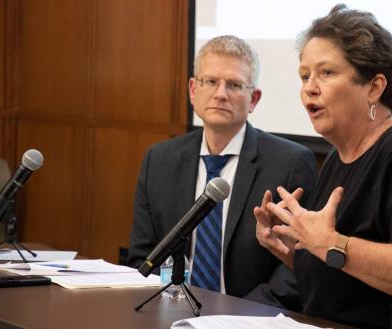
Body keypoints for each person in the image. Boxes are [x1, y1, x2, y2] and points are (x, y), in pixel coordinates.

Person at [254, 4, 392, 328]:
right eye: (304, 76)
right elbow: (349, 274)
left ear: (374, 87)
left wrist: (329, 243)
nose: (309, 88)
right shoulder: (337, 157)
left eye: (326, 73)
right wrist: (295, 248)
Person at [128, 35, 317, 309]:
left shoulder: (290, 162)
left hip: (251, 316)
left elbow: (297, 264)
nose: (220, 93)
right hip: (171, 311)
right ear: (193, 90)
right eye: (210, 82)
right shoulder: (159, 160)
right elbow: (142, 256)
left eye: (234, 84)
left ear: (253, 99)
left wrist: (237, 314)